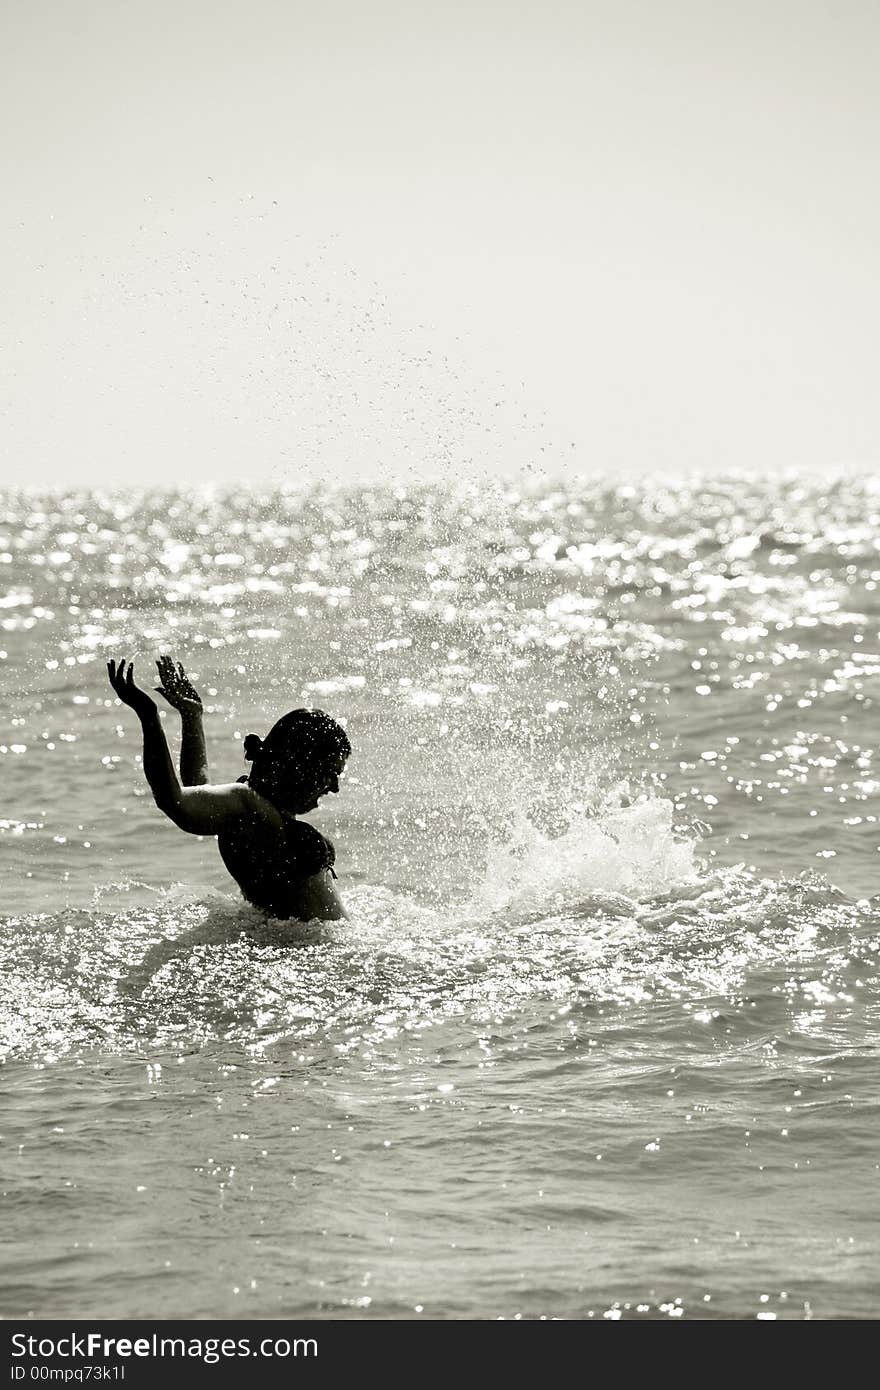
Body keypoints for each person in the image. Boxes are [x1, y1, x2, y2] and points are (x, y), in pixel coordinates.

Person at [106, 656, 350, 921]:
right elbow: (173, 801)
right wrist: (148, 715)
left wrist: (192, 717)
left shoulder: (253, 806)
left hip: (301, 947)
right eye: (329, 774)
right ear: (299, 766)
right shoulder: (247, 804)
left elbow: (197, 790)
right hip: (297, 951)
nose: (334, 787)